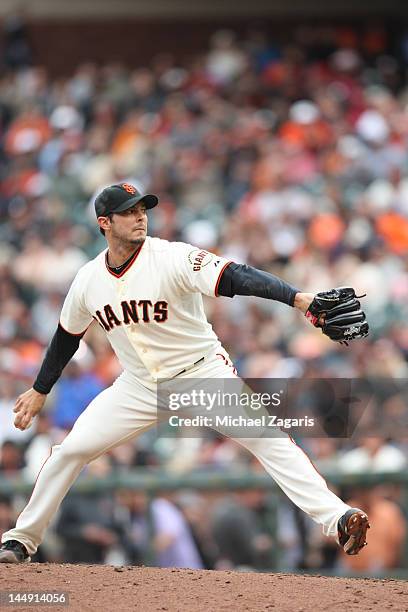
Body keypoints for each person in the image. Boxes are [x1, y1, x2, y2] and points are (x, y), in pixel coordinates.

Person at [0, 183, 369, 564]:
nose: (140, 216)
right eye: (129, 211)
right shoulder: (88, 280)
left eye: (143, 208)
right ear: (104, 223)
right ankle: (21, 541)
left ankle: (337, 517)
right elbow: (66, 337)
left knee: (268, 439)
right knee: (69, 451)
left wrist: (297, 298)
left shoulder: (171, 257)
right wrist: (40, 389)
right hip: (139, 385)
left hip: (201, 374)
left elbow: (234, 276)